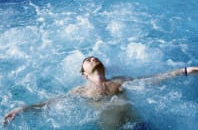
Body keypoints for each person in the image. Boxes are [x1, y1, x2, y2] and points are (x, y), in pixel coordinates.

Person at [3, 56, 198, 128]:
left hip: (139, 125)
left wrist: (184, 71)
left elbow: (153, 78)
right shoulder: (80, 90)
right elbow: (49, 103)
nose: (92, 59)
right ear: (84, 74)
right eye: (87, 60)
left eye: (95, 58)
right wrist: (23, 108)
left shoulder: (121, 80)